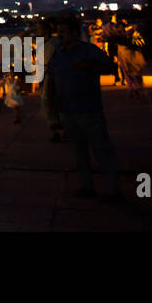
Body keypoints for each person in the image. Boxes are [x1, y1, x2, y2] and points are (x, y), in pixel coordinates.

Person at [48, 15, 122, 200]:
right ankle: (86, 185)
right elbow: (51, 79)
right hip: (67, 110)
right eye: (59, 32)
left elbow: (110, 68)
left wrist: (88, 66)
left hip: (89, 109)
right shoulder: (58, 53)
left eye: (64, 32)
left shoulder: (88, 51)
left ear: (74, 33)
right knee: (79, 152)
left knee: (102, 150)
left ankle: (113, 189)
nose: (61, 35)